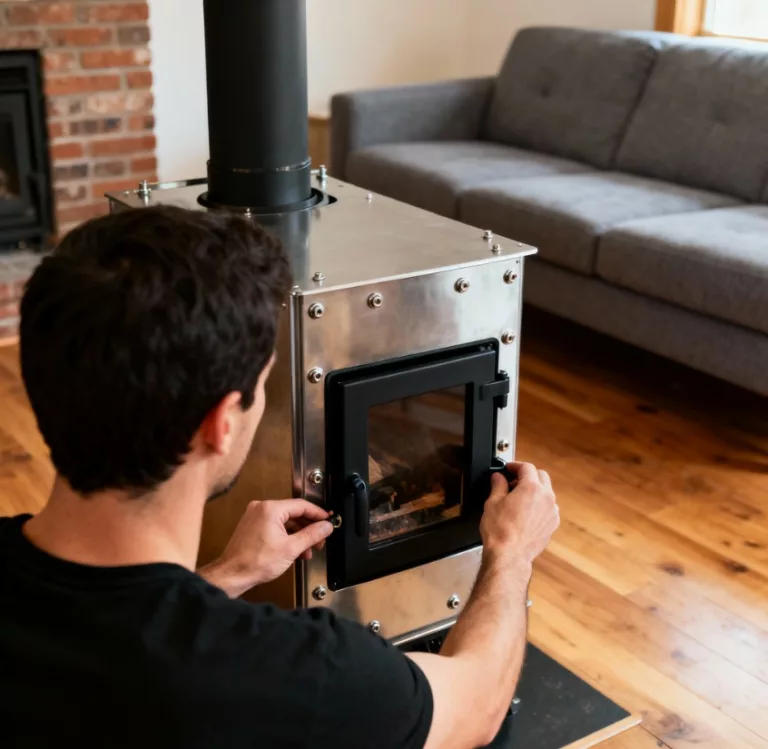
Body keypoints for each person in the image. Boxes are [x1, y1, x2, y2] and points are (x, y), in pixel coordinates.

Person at [0, 206, 559, 749]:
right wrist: (511, 553)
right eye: (263, 384)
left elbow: (116, 634)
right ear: (219, 424)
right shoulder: (297, 674)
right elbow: (477, 708)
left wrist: (226, 575)